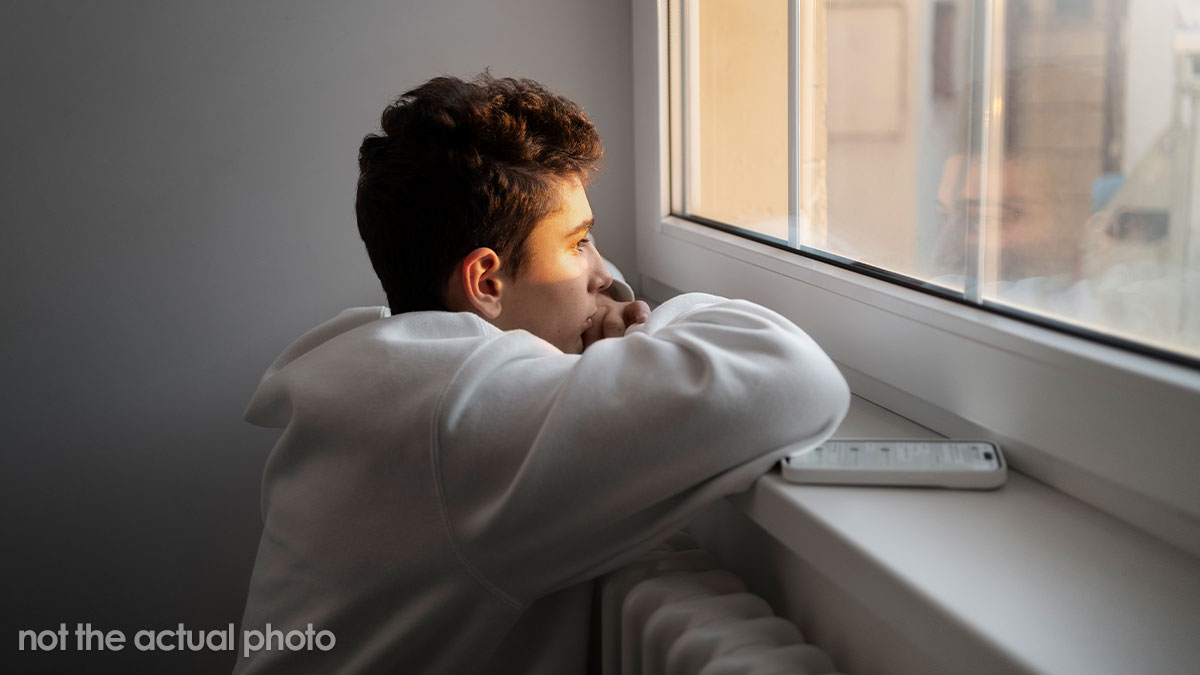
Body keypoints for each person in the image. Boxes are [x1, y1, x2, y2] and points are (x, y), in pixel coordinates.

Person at [233, 73, 849, 674]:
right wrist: (648, 321)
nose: (605, 275)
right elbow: (792, 379)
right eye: (578, 243)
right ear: (486, 282)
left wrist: (595, 305)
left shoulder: (384, 369)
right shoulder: (466, 410)